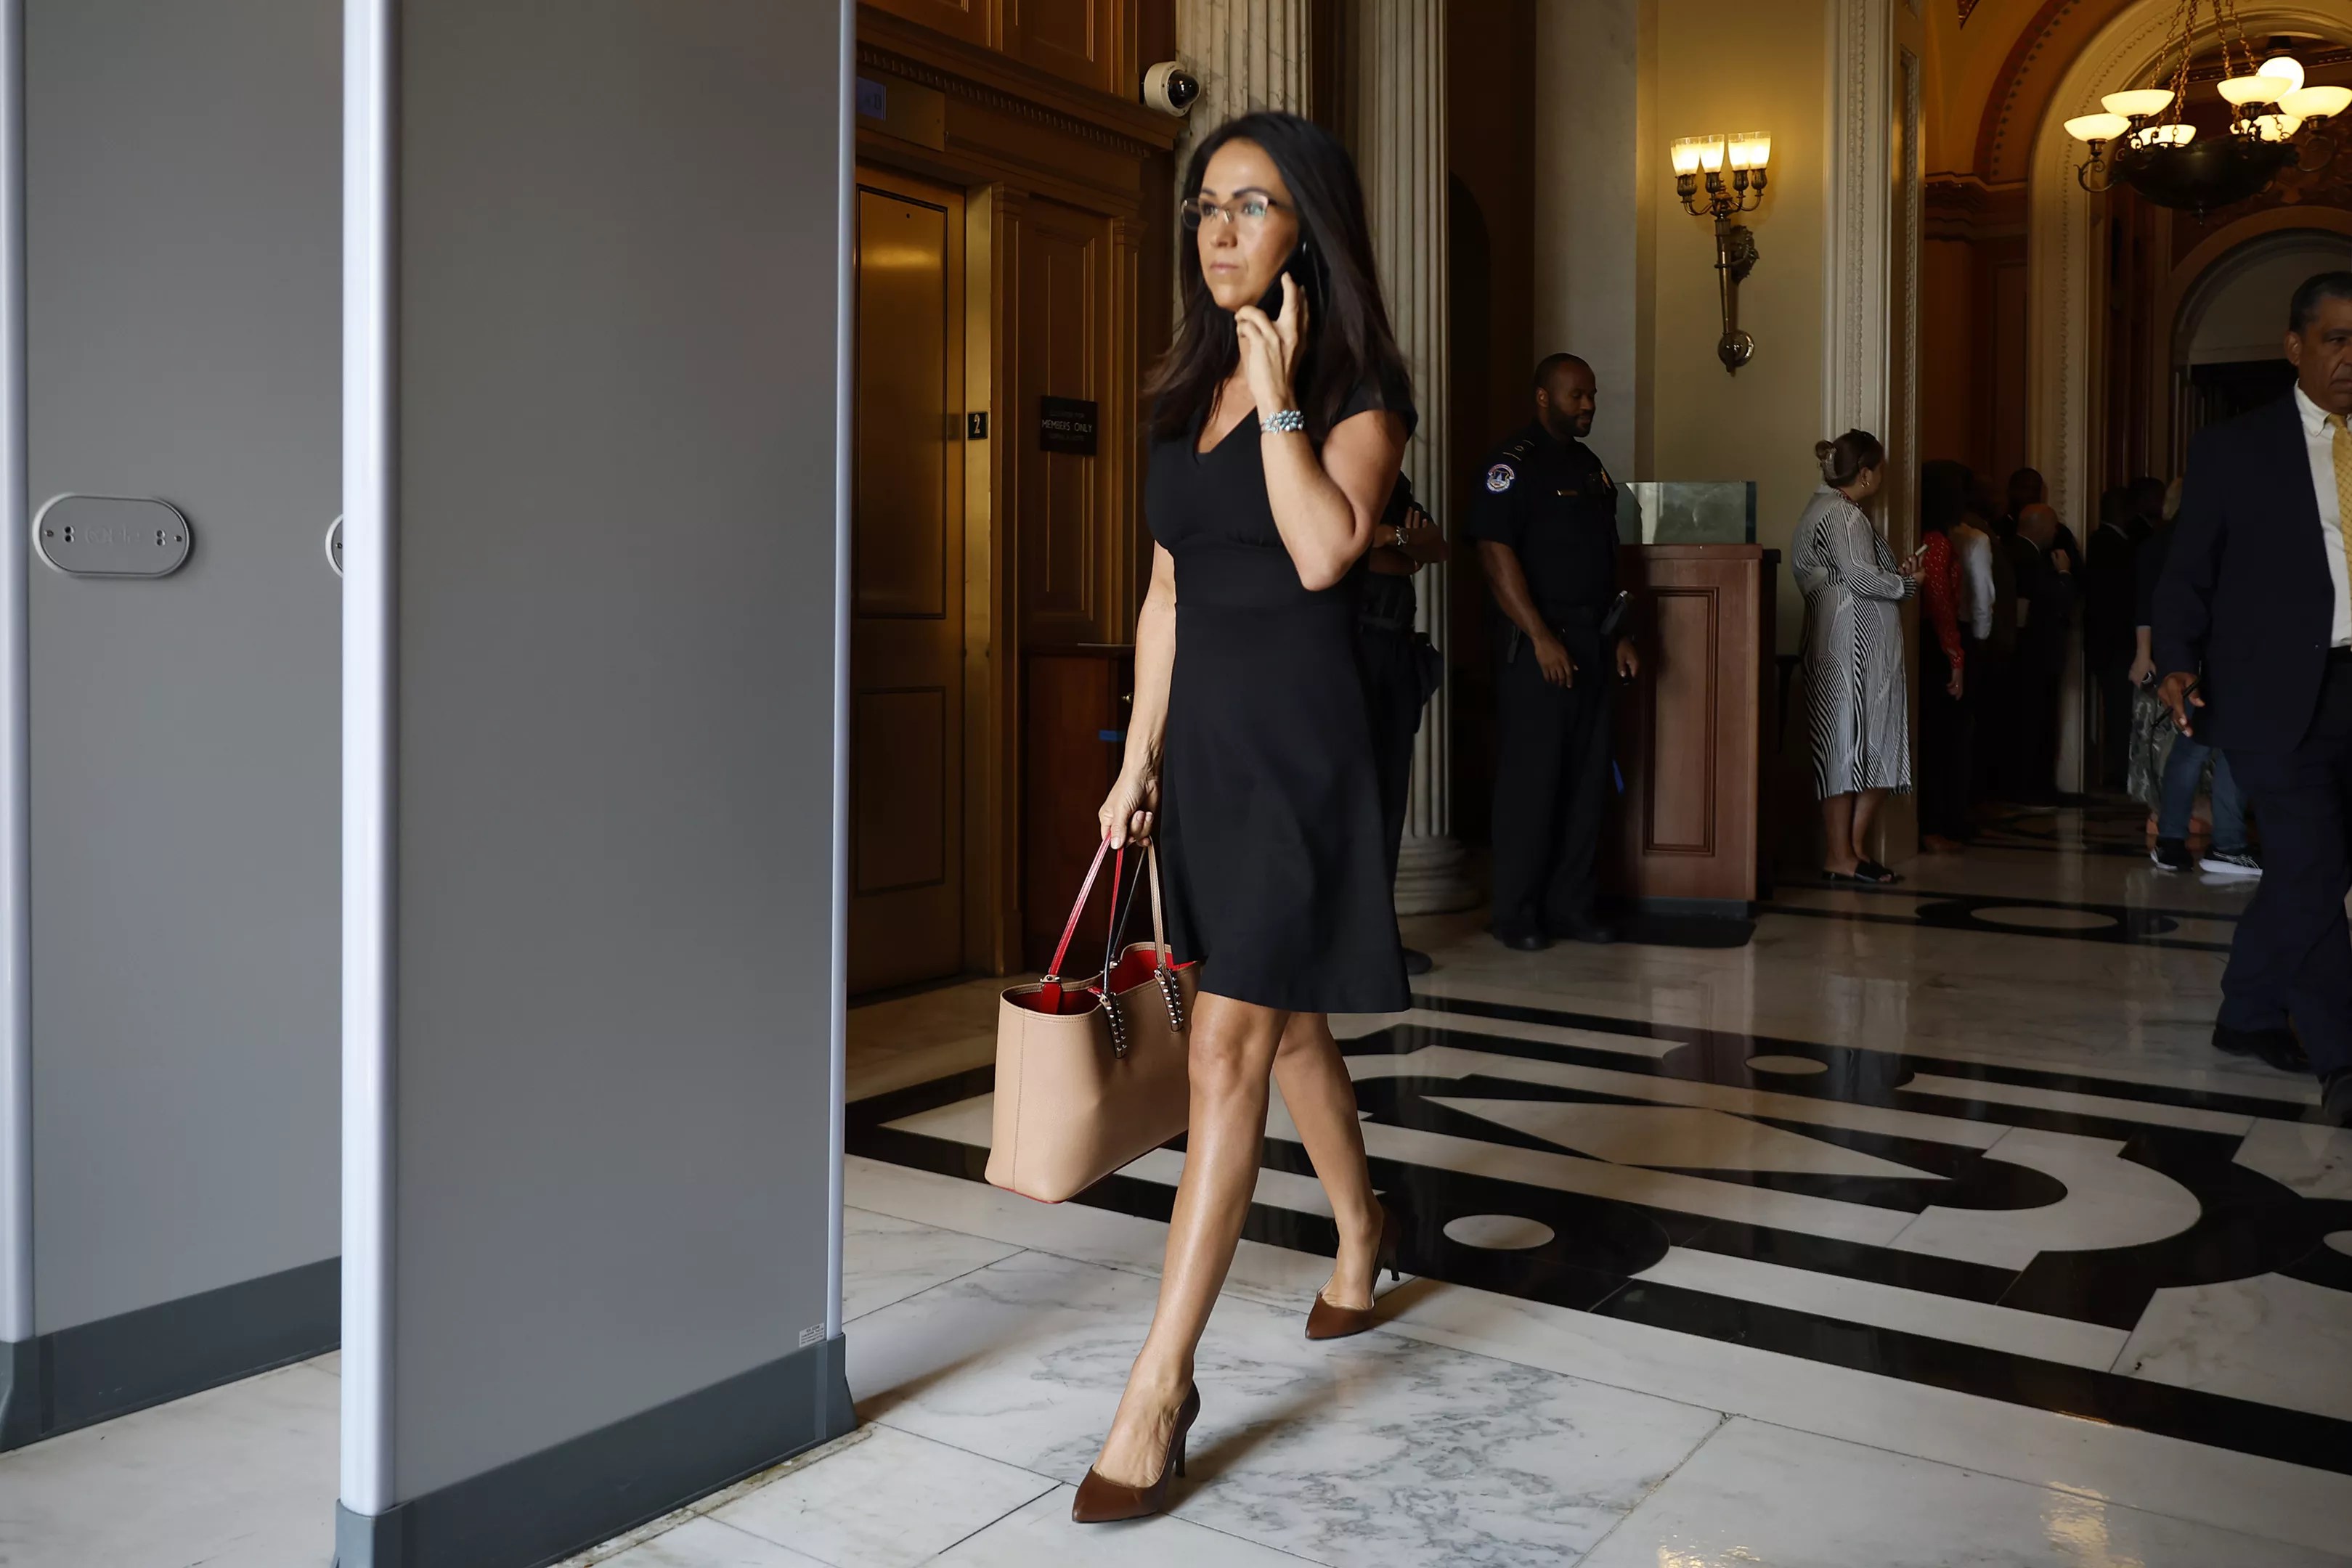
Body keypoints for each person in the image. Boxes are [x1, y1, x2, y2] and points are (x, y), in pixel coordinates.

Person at [1083, 110, 1416, 1521]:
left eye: (1252, 205)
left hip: (1301, 756)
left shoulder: (1356, 387)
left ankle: (1159, 1386)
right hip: (1204, 755)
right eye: (1204, 206)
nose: (1218, 230)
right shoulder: (1176, 386)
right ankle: (1360, 1232)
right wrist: (1131, 763)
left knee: (1228, 1043)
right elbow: (1164, 595)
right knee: (1284, 1030)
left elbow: (1322, 549)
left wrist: (1278, 395)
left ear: (1307, 230)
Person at [2154, 269, 2352, 1122]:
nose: (2350, 358)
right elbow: (2187, 570)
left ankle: (2244, 1012)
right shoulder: (2235, 448)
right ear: (2295, 347)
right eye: (2336, 339)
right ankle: (2342, 1062)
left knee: (2316, 869)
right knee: (2309, 867)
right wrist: (2174, 658)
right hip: (2274, 693)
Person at [1466, 354, 1639, 950]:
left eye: (1591, 395)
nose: (1587, 405)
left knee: (1586, 783)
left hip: (1592, 641)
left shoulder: (1590, 468)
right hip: (1539, 643)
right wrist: (1539, 635)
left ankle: (1571, 906)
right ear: (1543, 397)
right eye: (1575, 396)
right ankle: (1516, 913)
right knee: (1532, 783)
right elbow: (1494, 554)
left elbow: (1600, 559)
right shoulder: (1513, 465)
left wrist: (1617, 635)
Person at [1794, 430, 1913, 881]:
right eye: (1880, 468)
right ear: (1865, 473)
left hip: (1844, 645)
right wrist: (1906, 584)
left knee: (1850, 747)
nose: (1883, 476)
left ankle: (1851, 852)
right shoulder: (1842, 516)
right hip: (1851, 649)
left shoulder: (1826, 510)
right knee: (1849, 748)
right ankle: (1842, 854)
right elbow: (1862, 577)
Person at [2136, 494, 2259, 880]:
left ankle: (2204, 842)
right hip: (2207, 658)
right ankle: (2219, 843)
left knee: (2209, 749)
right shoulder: (2196, 538)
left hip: (2208, 655)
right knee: (2203, 748)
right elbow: (2159, 600)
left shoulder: (2188, 535)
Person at [1358, 474, 1449, 976]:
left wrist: (1393, 538)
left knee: (1390, 803)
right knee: (1355, 804)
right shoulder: (1329, 467)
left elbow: (1434, 548)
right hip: (1352, 653)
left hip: (1394, 654)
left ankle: (1377, 941)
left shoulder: (1392, 480)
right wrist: (1401, 545)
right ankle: (1348, 943)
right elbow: (1347, 551)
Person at [2004, 502, 2077, 804]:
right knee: (2033, 724)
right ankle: (2033, 788)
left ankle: (2037, 786)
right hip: (2032, 654)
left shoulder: (2025, 552)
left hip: (2033, 654)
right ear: (2039, 526)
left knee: (2038, 721)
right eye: (2053, 525)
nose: (2057, 531)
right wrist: (2064, 575)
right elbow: (2052, 599)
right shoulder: (2026, 556)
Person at [1918, 460, 1972, 852]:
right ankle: (1933, 827)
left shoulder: (1919, 536)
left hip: (1921, 639)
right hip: (1934, 643)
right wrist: (1956, 658)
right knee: (1939, 741)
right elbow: (1939, 602)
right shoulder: (1937, 543)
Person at [2086, 484, 2142, 790]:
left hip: (2111, 647)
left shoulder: (2106, 542)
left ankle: (2120, 772)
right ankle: (2119, 774)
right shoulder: (2110, 544)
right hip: (2116, 648)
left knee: (2121, 714)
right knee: (2121, 716)